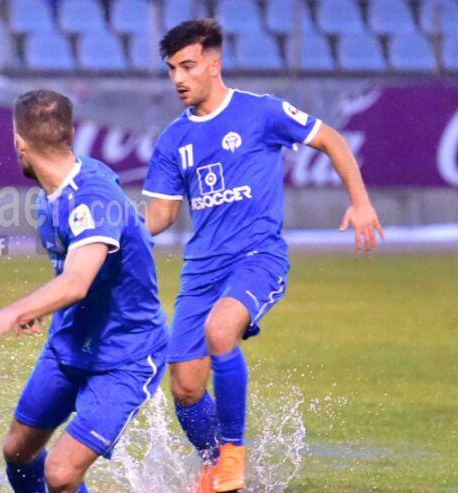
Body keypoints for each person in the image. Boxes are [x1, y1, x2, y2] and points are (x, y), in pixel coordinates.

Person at [142, 19, 385, 493]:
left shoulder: (262, 112)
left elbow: (331, 139)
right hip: (201, 271)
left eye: (188, 66)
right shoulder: (173, 140)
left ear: (215, 64)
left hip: (258, 257)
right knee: (186, 388)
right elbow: (161, 214)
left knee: (220, 331)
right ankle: (219, 468)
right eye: (172, 69)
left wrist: (360, 202)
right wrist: (116, 229)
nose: (178, 78)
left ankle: (233, 454)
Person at [0, 89, 169, 493]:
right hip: (70, 345)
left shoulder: (92, 195)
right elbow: (71, 273)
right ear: (67, 134)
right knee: (19, 452)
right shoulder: (55, 193)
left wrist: (11, 313)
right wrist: (39, 308)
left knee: (60, 474)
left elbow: (77, 281)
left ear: (18, 141)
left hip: (125, 355)